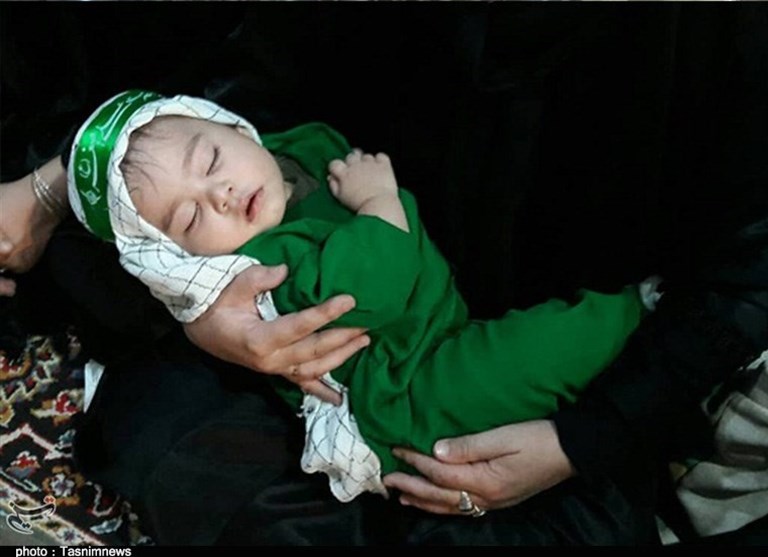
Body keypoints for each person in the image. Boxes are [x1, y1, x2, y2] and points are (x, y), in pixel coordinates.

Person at [3, 2, 768, 546]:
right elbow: (236, 101)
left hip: (575, 369)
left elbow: (754, 281)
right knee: (159, 433)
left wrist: (580, 440)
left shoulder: (751, 34)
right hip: (358, 333)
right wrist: (205, 305)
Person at [66, 89, 648, 504]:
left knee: (529, 347)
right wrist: (378, 202)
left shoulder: (298, 150)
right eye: (191, 218)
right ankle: (645, 314)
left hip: (437, 333)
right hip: (403, 396)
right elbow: (373, 290)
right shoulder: (262, 268)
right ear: (179, 260)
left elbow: (319, 145)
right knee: (552, 345)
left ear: (234, 127)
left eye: (212, 161)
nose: (219, 194)